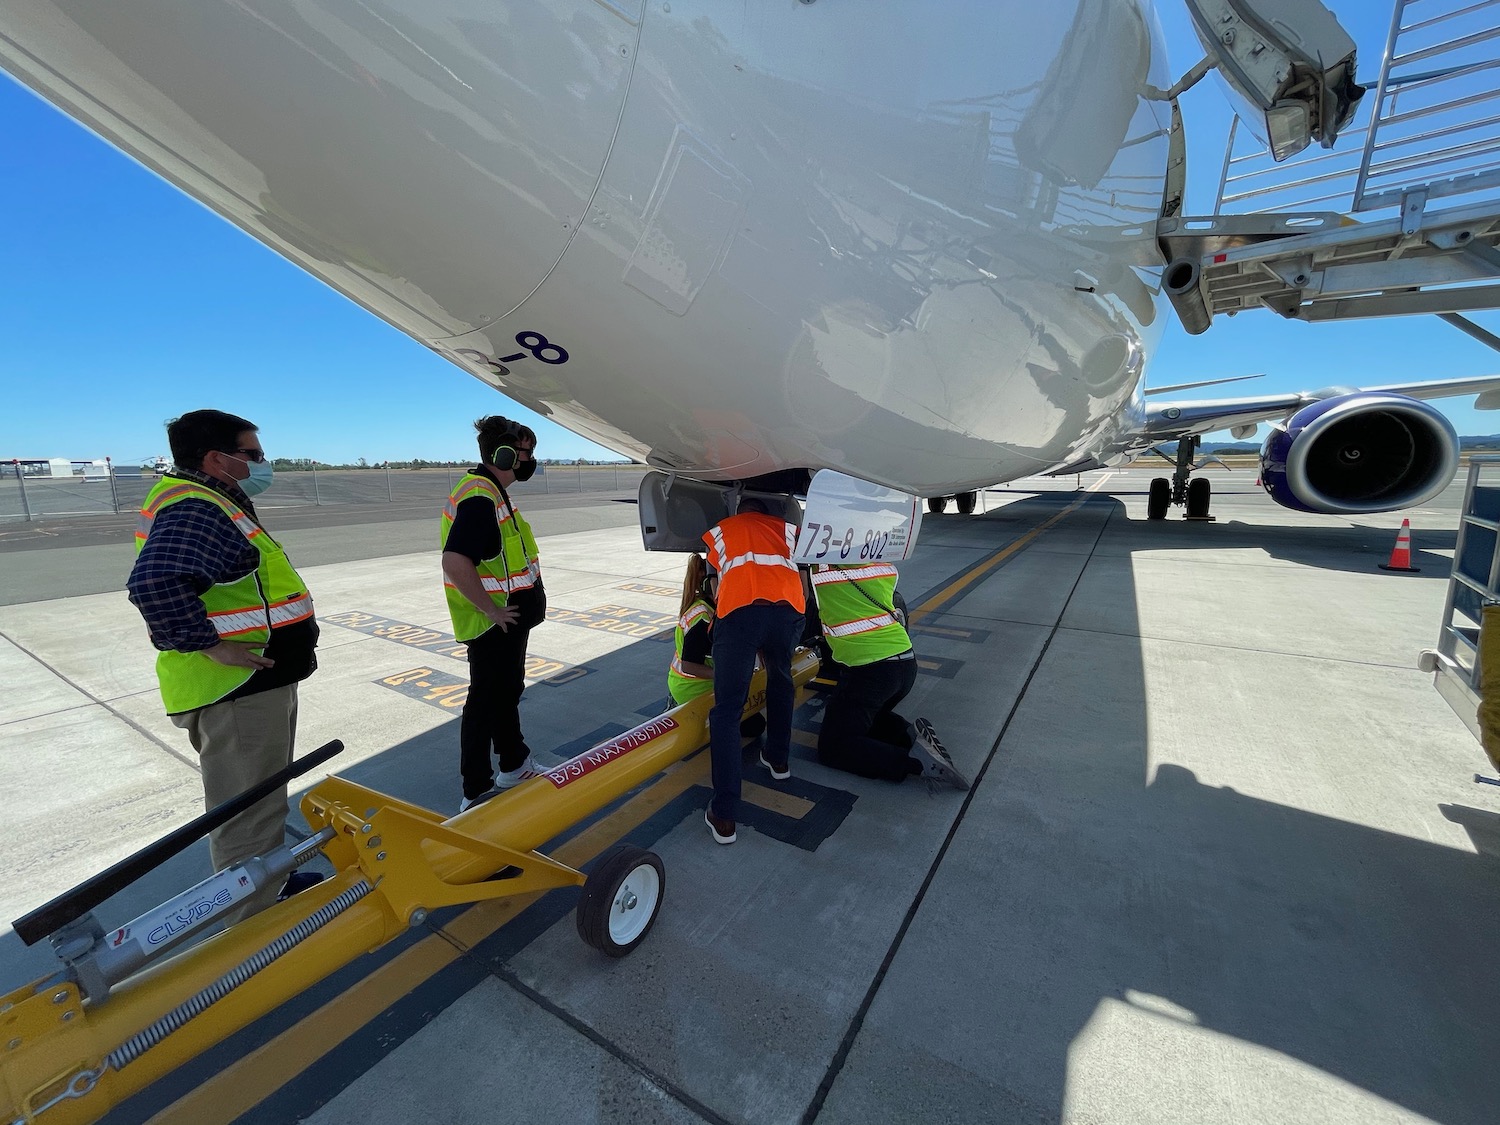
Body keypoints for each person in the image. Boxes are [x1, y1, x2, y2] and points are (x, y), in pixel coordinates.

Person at [127, 409, 321, 922]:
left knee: (261, 802)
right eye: (252, 455)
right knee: (247, 814)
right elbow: (154, 584)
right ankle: (251, 927)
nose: (262, 464)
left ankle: (268, 887)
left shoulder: (208, 499)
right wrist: (213, 645)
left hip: (248, 685)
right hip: (234, 688)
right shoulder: (196, 505)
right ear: (217, 458)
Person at [441, 416, 548, 811]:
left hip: (503, 623)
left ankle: (514, 762)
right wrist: (492, 611)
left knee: (505, 694)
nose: (529, 460)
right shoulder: (480, 497)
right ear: (503, 454)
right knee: (485, 702)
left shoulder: (491, 493)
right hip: (491, 625)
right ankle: (476, 790)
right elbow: (455, 561)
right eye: (525, 452)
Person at [810, 560, 969, 789]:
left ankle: (915, 763)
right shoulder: (877, 562)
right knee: (863, 716)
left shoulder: (822, 568)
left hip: (870, 670)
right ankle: (911, 736)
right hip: (904, 662)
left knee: (833, 747)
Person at [701, 496, 805, 844]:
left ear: (738, 512)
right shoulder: (788, 530)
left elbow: (714, 583)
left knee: (728, 710)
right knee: (780, 678)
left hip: (741, 612)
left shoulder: (722, 531)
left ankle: (725, 814)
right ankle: (778, 761)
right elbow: (801, 576)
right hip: (788, 610)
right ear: (766, 513)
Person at [666, 554, 768, 736]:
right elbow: (689, 665)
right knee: (754, 727)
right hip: (693, 687)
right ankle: (679, 706)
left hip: (706, 682)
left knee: (753, 721)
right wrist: (726, 676)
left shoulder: (715, 608)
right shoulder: (702, 618)